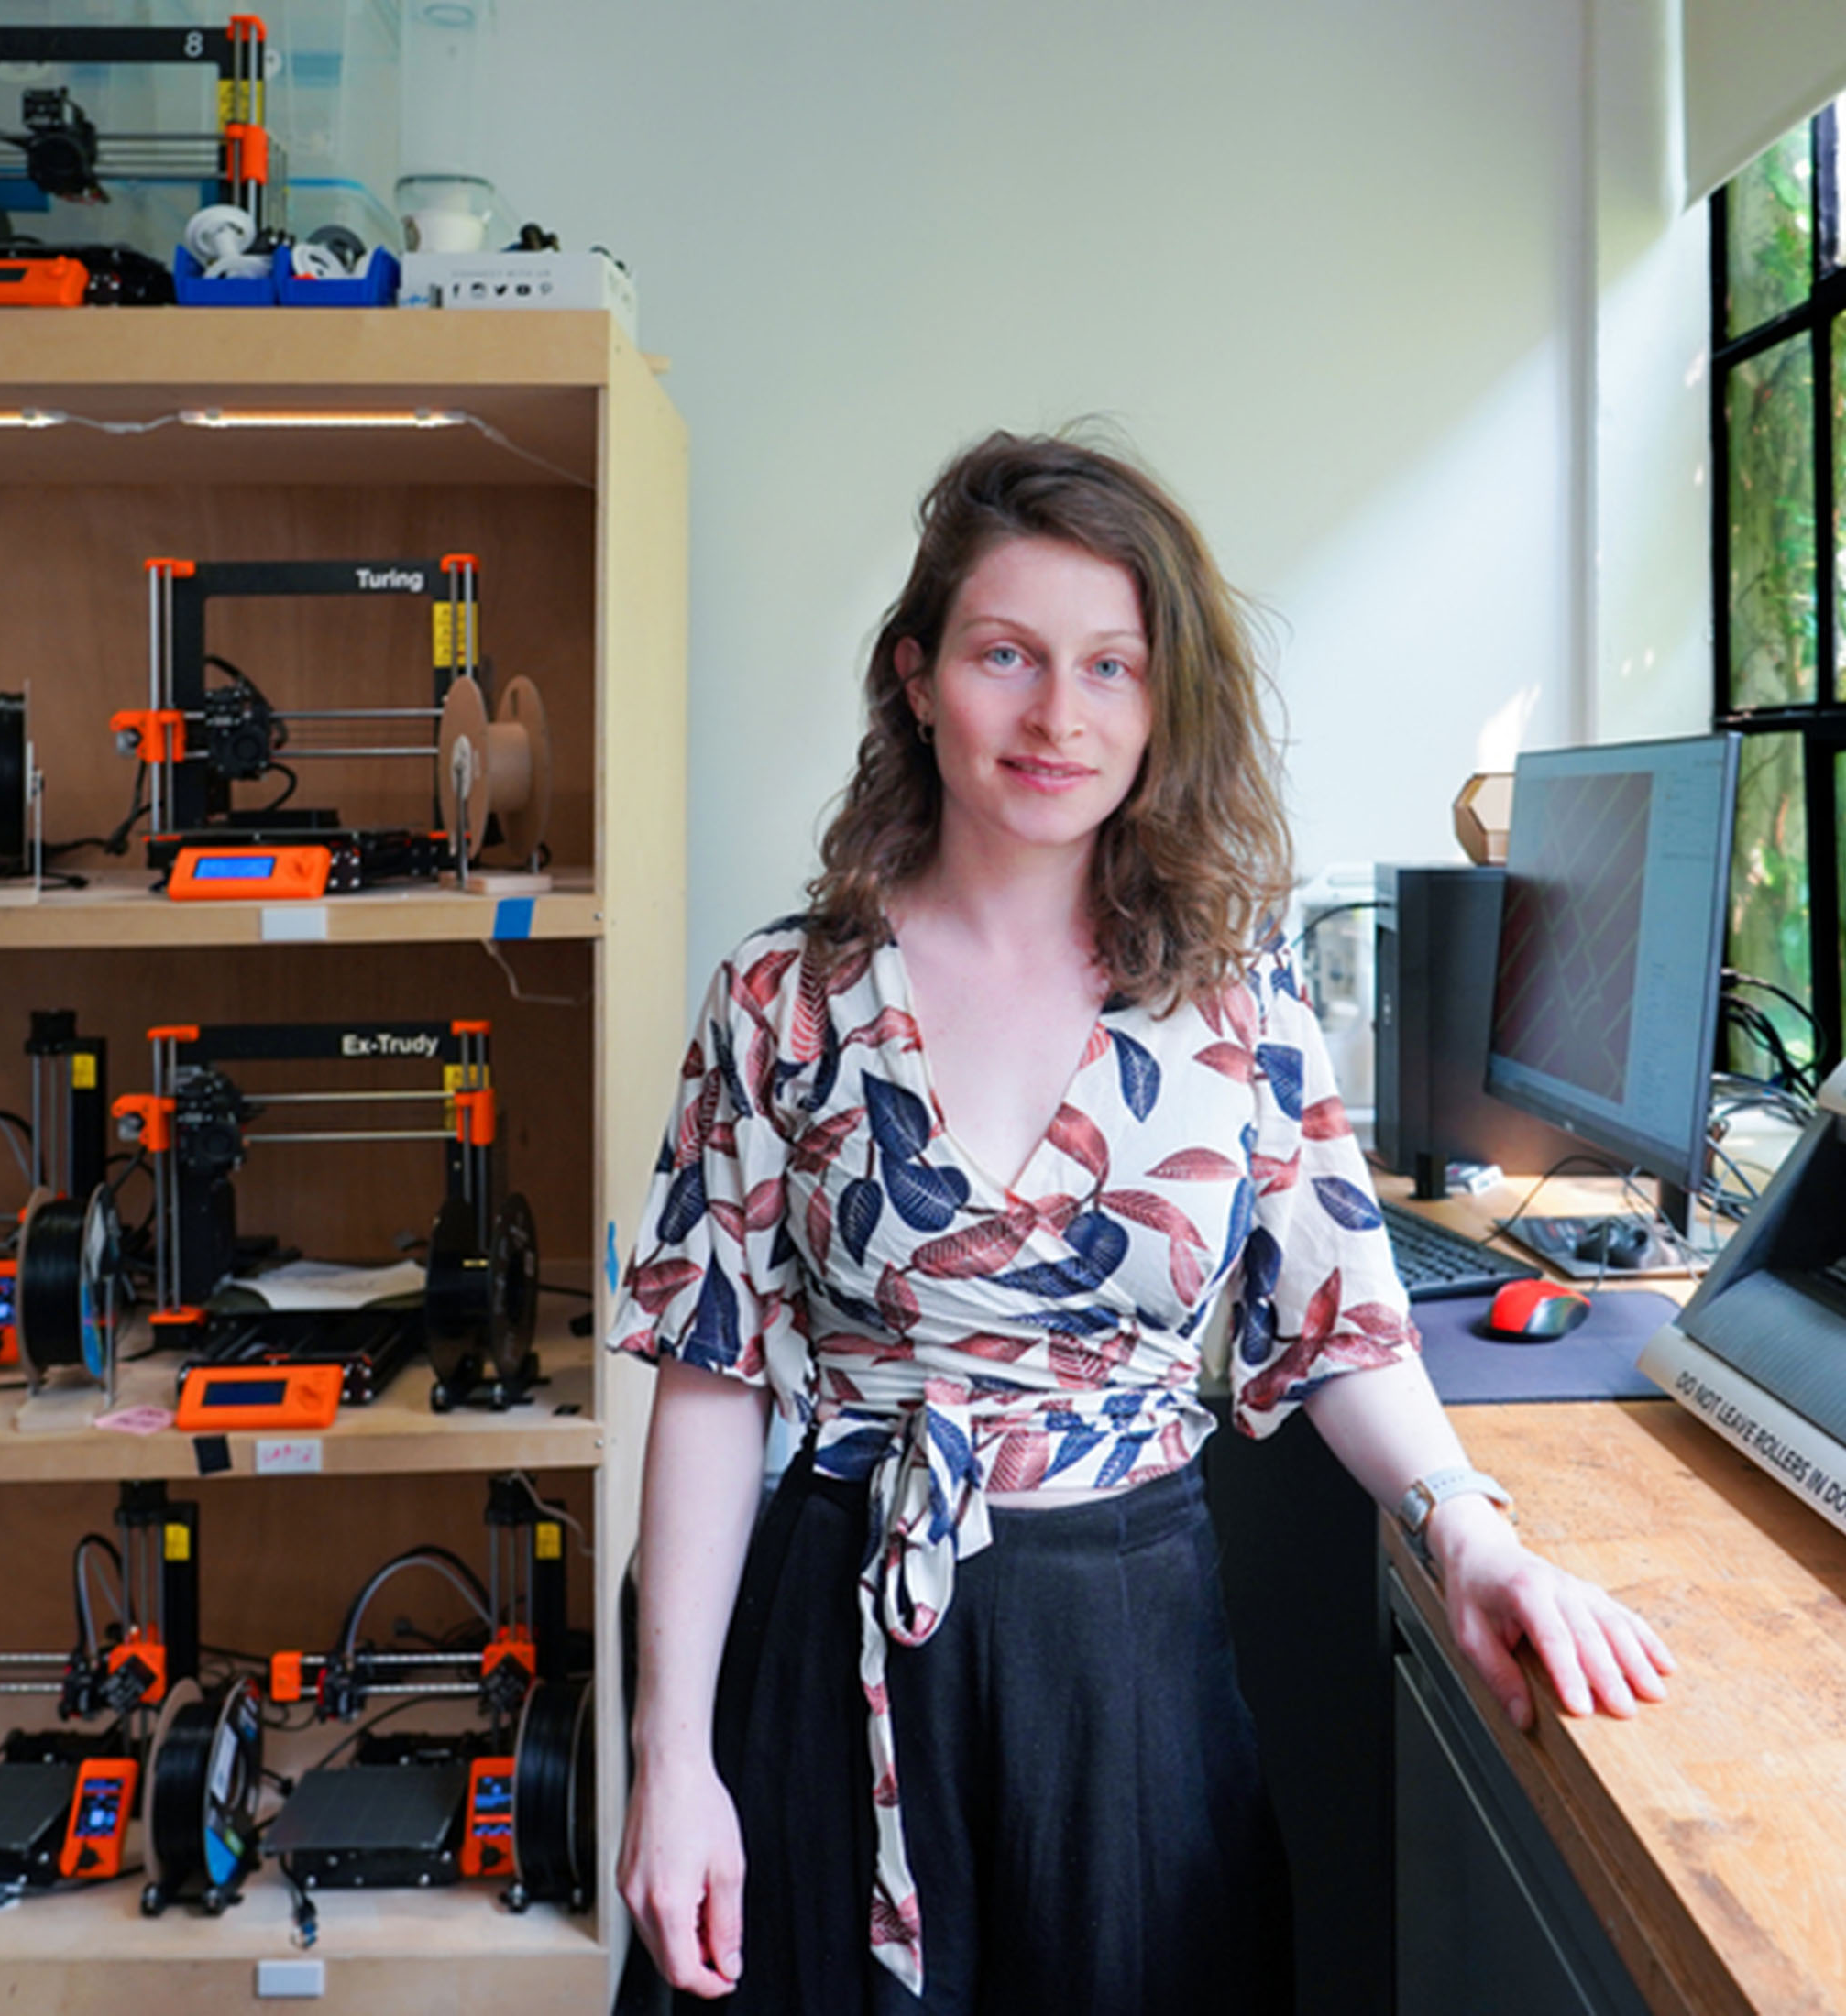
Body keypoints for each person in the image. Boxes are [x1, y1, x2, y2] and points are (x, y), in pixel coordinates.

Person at [609, 431, 1674, 2014]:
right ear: (917, 679)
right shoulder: (782, 1000)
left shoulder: (1238, 1002)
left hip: (1126, 1672)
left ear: (1163, 702)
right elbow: (710, 1384)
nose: (1060, 716)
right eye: (1006, 656)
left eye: (1113, 665)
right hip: (825, 1657)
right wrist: (670, 1759)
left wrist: (1473, 1534)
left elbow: (1340, 1326)